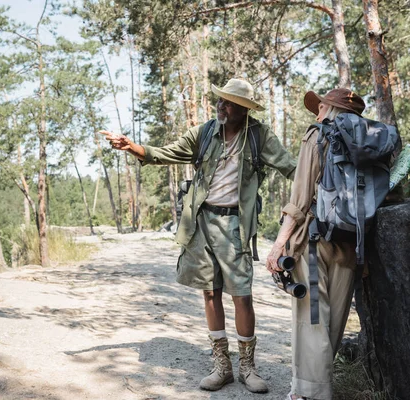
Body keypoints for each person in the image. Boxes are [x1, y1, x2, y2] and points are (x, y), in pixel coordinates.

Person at [100, 78, 296, 394]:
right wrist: (131, 146)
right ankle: (223, 367)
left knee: (242, 294)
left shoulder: (259, 137)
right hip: (202, 223)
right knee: (209, 292)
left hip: (236, 226)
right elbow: (164, 153)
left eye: (229, 102)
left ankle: (248, 367)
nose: (221, 105)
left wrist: (319, 182)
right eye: (221, 100)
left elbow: (292, 168)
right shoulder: (205, 133)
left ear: (244, 109)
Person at [265, 88, 367, 400]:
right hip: (353, 245)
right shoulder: (371, 143)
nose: (316, 112)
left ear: (330, 109)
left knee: (311, 322)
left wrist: (279, 244)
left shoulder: (318, 135)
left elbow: (299, 198)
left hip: (315, 240)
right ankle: (309, 388)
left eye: (320, 106)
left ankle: (307, 395)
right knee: (333, 323)